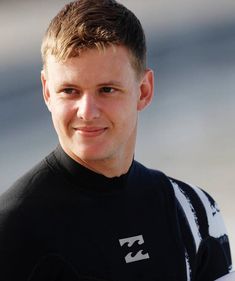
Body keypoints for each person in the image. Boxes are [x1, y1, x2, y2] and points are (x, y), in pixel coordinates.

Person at [0, 0, 232, 280]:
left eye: (106, 89)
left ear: (144, 91)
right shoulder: (12, 229)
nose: (86, 112)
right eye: (69, 91)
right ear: (47, 92)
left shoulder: (193, 211)